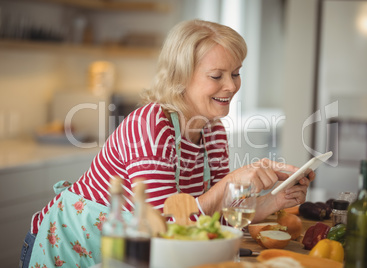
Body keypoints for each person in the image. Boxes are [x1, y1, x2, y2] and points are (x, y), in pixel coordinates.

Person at [20, 19, 314, 268]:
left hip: (126, 254)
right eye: (217, 76)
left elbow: (208, 223)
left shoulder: (213, 130)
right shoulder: (151, 125)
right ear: (181, 77)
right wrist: (231, 182)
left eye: (236, 73)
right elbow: (164, 230)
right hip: (71, 248)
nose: (232, 86)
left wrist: (271, 201)